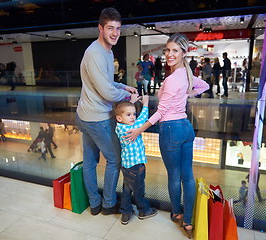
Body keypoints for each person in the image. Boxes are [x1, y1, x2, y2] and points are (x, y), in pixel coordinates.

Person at [124, 33, 209, 239]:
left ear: (183, 53)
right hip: (186, 127)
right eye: (167, 50)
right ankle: (188, 221)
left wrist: (138, 130)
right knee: (187, 176)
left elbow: (160, 113)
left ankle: (177, 212)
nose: (169, 54)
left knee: (174, 176)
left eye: (175, 51)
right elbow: (204, 86)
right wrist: (185, 94)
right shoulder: (186, 76)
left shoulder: (172, 80)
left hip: (170, 130)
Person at [75, 7, 138, 216]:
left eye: (118, 29)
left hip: (86, 115)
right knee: (115, 160)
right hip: (97, 118)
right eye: (110, 28)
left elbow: (105, 82)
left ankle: (94, 204)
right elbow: (105, 91)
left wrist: (122, 87)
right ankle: (108, 204)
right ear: (100, 28)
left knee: (90, 162)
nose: (115, 33)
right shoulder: (95, 53)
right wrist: (128, 97)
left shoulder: (106, 51)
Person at [114, 96, 157, 225]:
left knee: (127, 189)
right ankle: (143, 210)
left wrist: (130, 103)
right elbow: (143, 120)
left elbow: (124, 114)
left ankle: (126, 212)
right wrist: (145, 104)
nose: (133, 117)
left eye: (134, 114)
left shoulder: (119, 127)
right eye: (129, 115)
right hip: (136, 166)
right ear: (119, 118)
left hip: (127, 166)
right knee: (139, 190)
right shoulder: (130, 129)